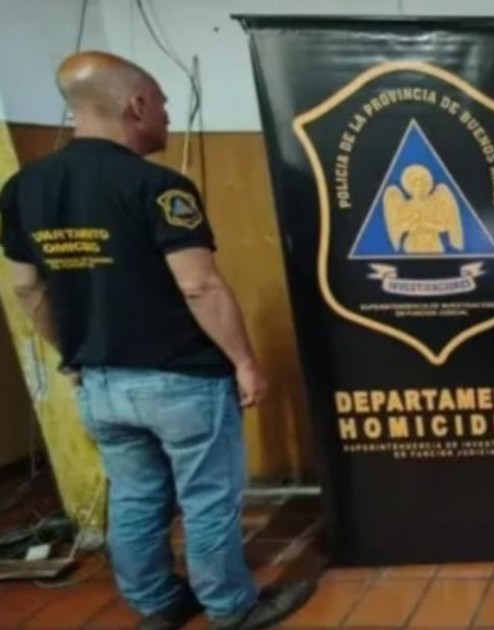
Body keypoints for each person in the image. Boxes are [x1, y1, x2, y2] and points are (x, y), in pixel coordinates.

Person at [0, 51, 315, 630]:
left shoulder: (24, 188)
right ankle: (231, 608)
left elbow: (27, 289)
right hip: (180, 378)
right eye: (164, 105)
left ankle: (157, 604)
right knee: (207, 497)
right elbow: (199, 285)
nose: (167, 117)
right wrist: (245, 362)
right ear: (137, 104)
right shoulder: (158, 186)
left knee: (135, 497)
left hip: (99, 383)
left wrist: (74, 355)